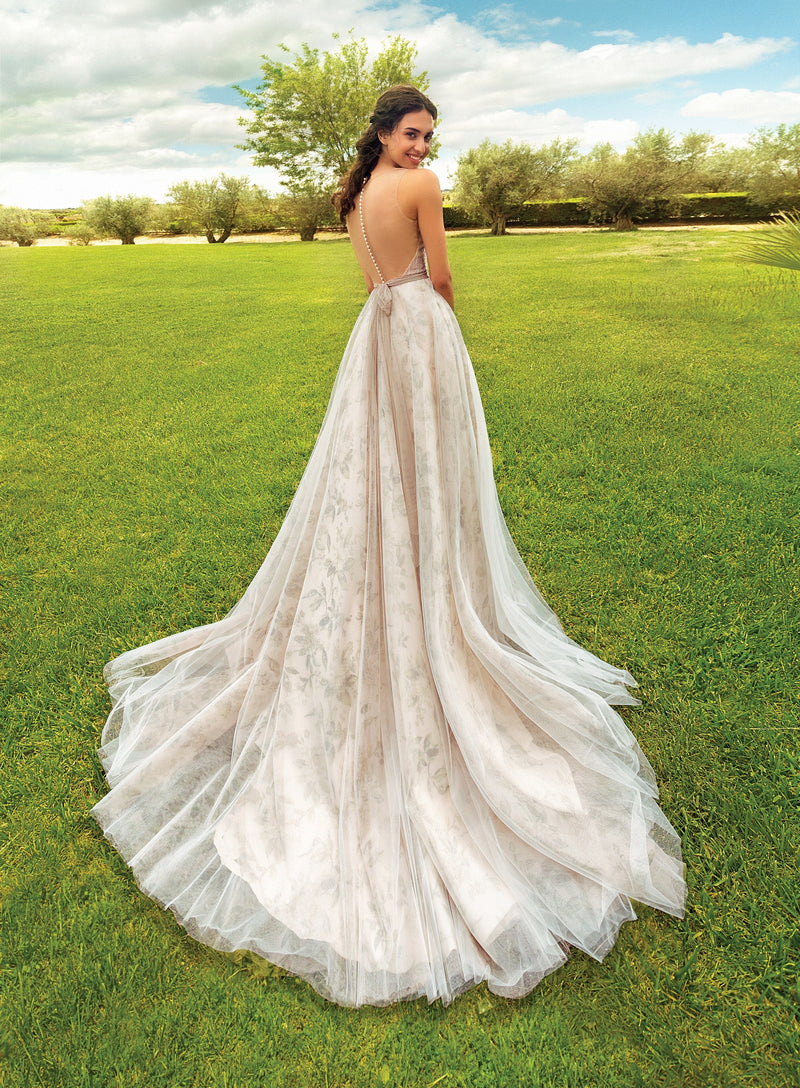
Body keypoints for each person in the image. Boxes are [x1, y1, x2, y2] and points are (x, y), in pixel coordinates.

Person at [93, 85, 685, 1008]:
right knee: (422, 479)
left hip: (377, 336)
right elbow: (440, 279)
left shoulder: (358, 195)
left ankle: (408, 581)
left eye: (427, 136)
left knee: (382, 481)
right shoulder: (420, 187)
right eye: (412, 133)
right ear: (382, 133)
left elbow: (382, 280)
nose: (423, 145)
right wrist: (455, 333)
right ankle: (429, 604)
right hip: (419, 337)